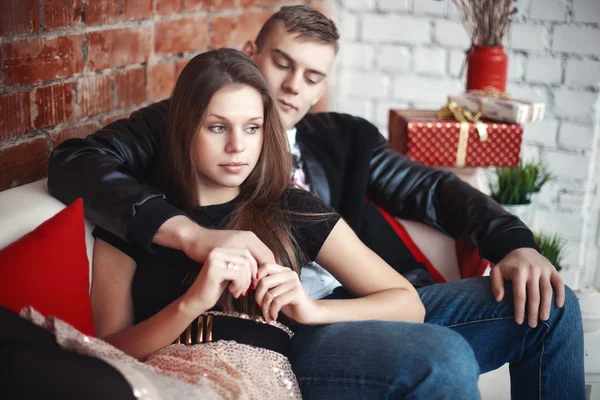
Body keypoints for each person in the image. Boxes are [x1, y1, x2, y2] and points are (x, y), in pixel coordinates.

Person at [47, 5, 585, 399]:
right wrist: (192, 250)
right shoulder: (163, 152)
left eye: (312, 77)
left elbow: (434, 190)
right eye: (282, 65)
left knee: (551, 307)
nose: (292, 88)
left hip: (336, 304)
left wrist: (512, 240)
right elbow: (74, 164)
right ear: (252, 58)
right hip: (276, 341)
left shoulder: (329, 154)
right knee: (442, 358)